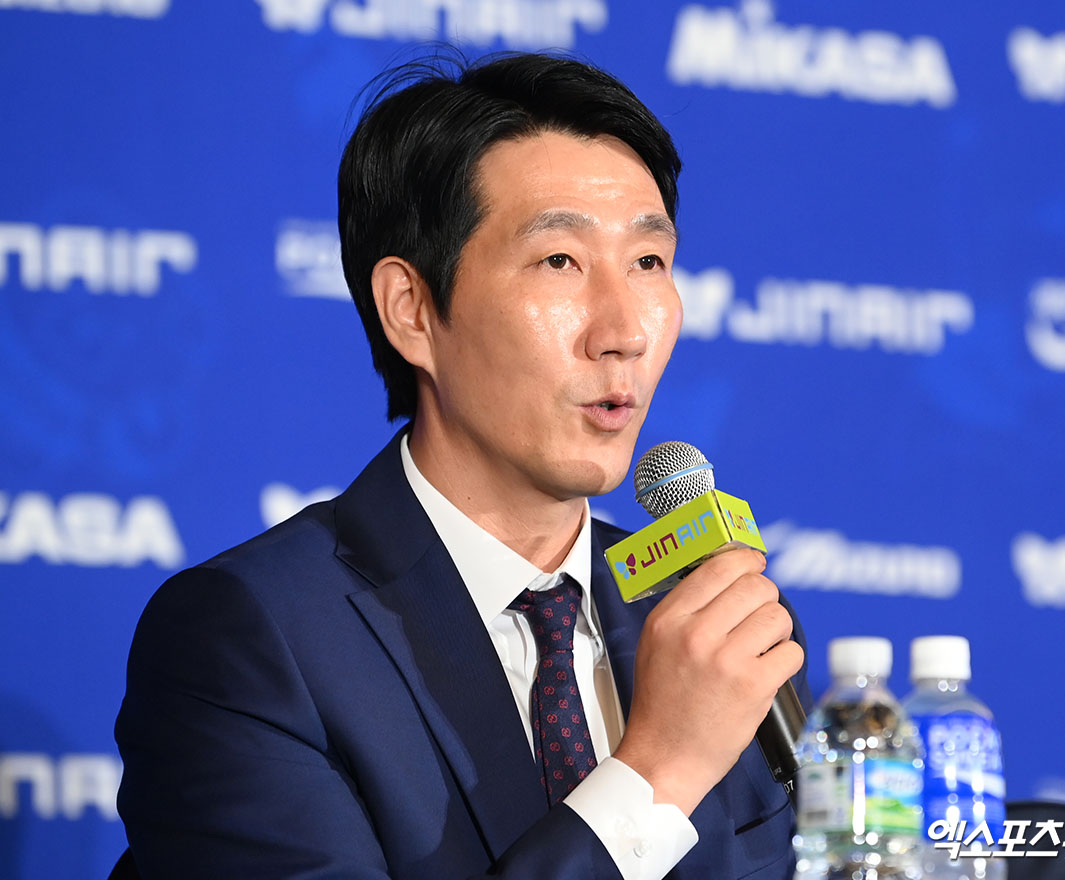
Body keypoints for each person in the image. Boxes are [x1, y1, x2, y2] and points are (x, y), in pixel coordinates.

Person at [114, 52, 812, 879]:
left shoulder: (713, 622)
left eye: (648, 263)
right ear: (412, 310)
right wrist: (657, 772)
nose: (624, 331)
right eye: (560, 262)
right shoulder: (248, 641)